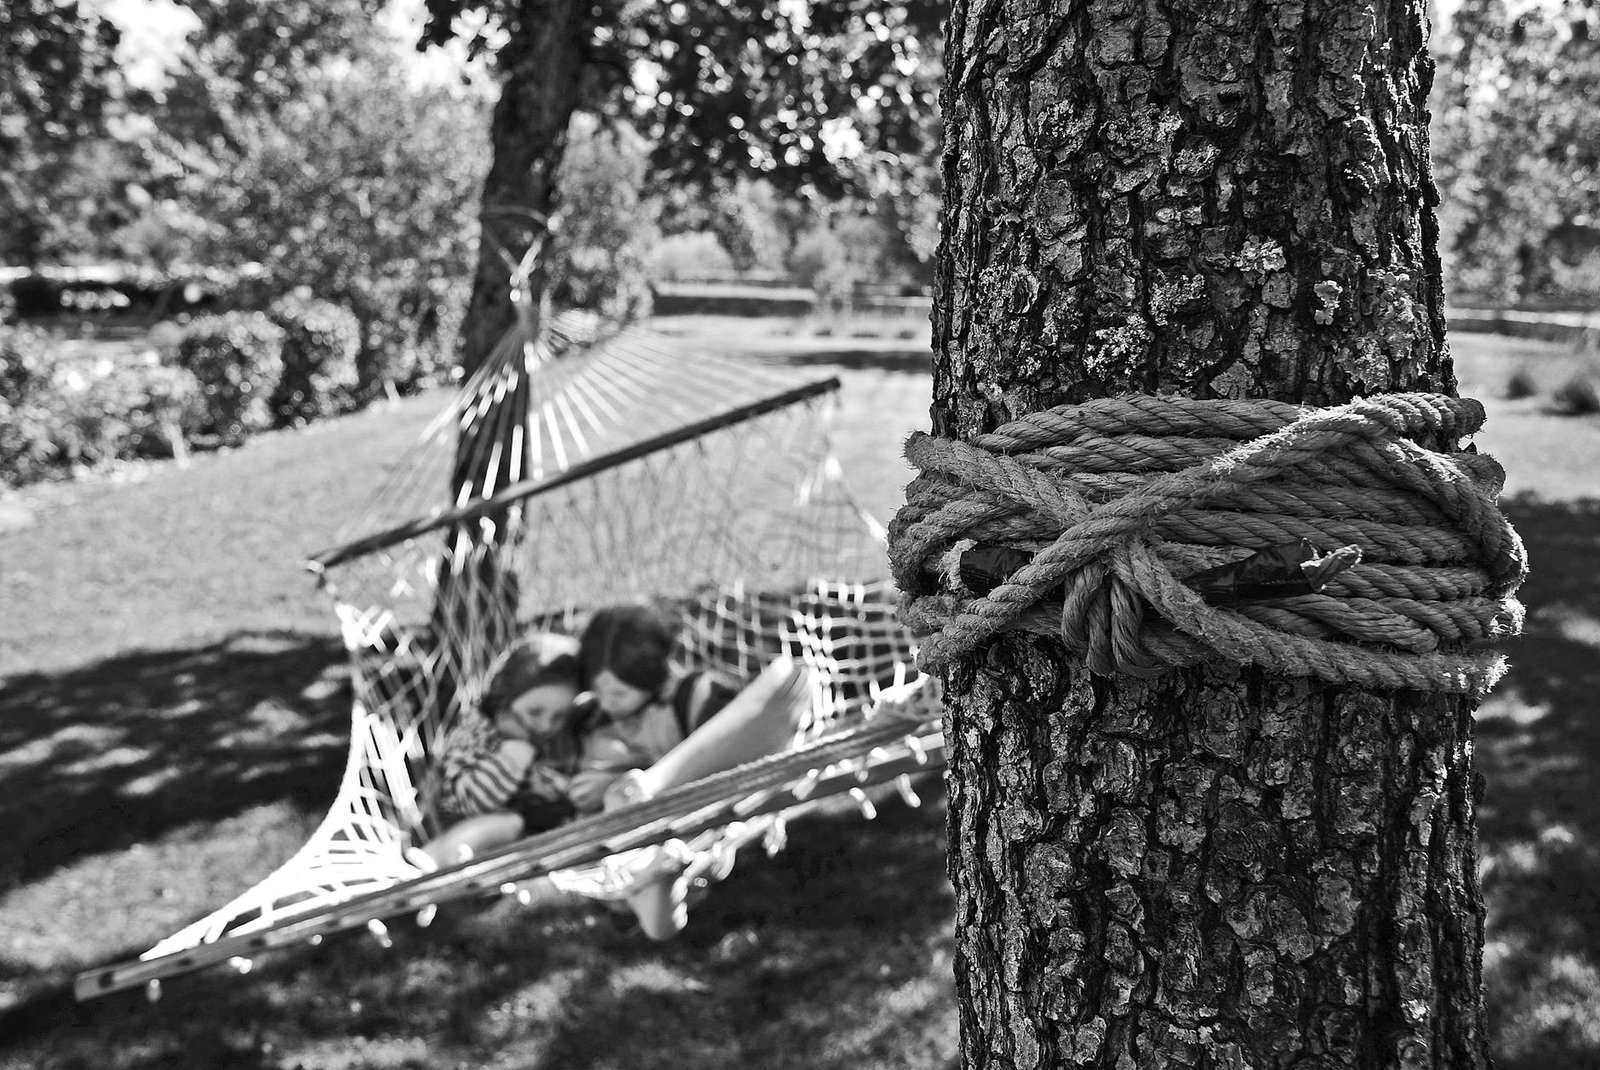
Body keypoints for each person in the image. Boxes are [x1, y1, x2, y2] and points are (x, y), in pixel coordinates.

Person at [410, 633, 584, 870]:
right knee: (508, 823)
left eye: (559, 716)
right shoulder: (478, 733)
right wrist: (516, 754)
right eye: (534, 712)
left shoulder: (558, 737)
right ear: (504, 700)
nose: (546, 725)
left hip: (526, 836)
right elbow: (470, 802)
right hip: (462, 822)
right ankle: (434, 859)